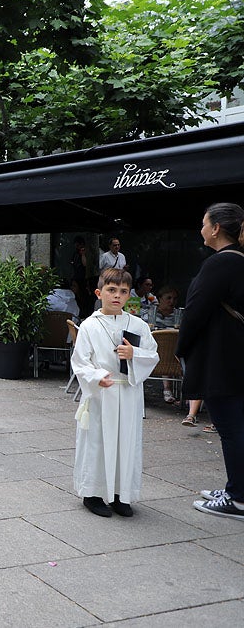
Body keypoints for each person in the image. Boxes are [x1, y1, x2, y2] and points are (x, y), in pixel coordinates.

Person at [71, 268, 159, 518]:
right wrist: (97, 377)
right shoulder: (89, 325)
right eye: (111, 290)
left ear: (129, 295)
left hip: (128, 390)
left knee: (126, 442)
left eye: (123, 291)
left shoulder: (138, 325)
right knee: (97, 442)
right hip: (102, 392)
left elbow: (153, 355)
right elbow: (80, 361)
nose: (117, 296)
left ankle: (121, 494)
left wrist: (135, 355)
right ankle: (93, 493)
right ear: (100, 293)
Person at [177, 203, 244, 521]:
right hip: (235, 356)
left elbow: (195, 310)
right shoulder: (238, 261)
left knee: (231, 428)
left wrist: (181, 346)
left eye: (204, 223)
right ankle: (236, 487)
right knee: (235, 425)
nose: (201, 228)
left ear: (216, 227)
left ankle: (238, 498)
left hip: (223, 358)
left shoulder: (221, 263)